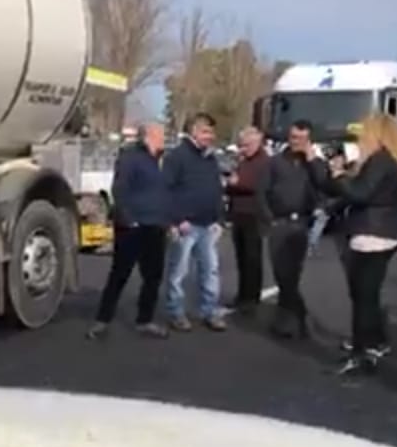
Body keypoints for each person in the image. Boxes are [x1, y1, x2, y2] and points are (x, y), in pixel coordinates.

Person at [327, 114, 397, 375]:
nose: (361, 138)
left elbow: (360, 193)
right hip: (387, 232)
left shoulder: (380, 160)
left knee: (362, 297)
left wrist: (338, 175)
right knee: (368, 294)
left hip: (370, 233)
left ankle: (361, 353)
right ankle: (372, 343)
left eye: (365, 133)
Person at [87, 123, 174, 340]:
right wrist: (128, 219)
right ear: (148, 137)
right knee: (119, 275)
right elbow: (120, 188)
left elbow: (167, 192)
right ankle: (102, 320)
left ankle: (145, 320)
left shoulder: (163, 161)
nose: (164, 138)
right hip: (133, 226)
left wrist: (168, 220)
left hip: (155, 226)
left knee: (153, 277)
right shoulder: (131, 157)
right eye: (160, 135)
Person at [255, 119, 328, 339]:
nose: (296, 142)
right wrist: (268, 218)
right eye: (293, 137)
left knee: (292, 276)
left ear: (309, 140)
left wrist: (312, 161)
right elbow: (261, 192)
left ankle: (288, 321)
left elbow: (325, 186)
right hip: (279, 223)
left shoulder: (316, 164)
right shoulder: (275, 162)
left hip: (301, 225)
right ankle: (297, 316)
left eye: (301, 139)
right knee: (281, 274)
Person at [164, 113, 228, 332]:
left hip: (208, 225)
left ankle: (209, 311)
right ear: (193, 131)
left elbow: (216, 190)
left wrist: (219, 219)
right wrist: (176, 220)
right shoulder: (177, 156)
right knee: (178, 272)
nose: (210, 137)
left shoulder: (210, 158)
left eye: (211, 132)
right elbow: (166, 190)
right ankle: (176, 313)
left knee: (210, 271)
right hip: (186, 226)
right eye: (205, 132)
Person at [225, 126, 269, 315]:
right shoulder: (243, 161)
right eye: (241, 145)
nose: (243, 149)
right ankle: (242, 295)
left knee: (252, 258)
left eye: (247, 145)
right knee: (242, 258)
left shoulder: (265, 162)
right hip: (239, 213)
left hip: (254, 214)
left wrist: (237, 183)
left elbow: (259, 185)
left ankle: (251, 298)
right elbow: (232, 182)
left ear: (257, 142)